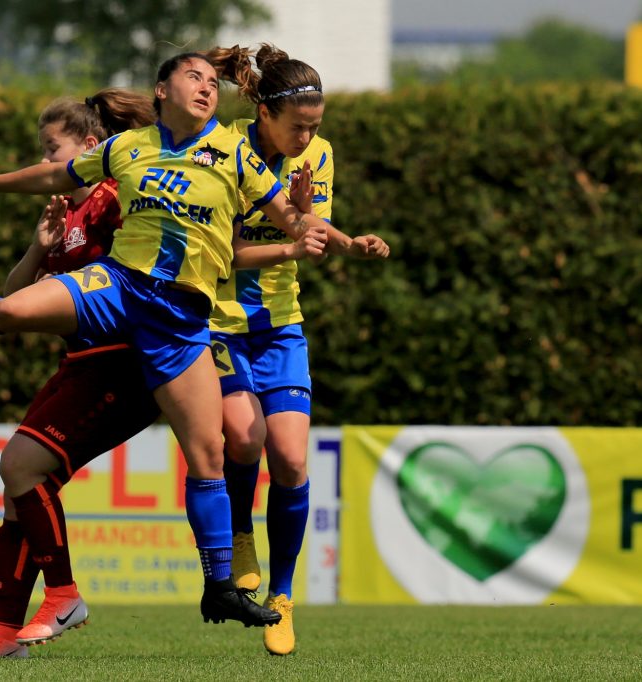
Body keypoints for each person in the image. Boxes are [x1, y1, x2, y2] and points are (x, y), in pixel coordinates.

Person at [0, 52, 349, 633]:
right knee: (12, 307)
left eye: (213, 82)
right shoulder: (128, 146)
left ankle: (218, 588)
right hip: (119, 286)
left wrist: (309, 223)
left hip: (181, 321)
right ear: (161, 89)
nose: (207, 88)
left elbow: (286, 217)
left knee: (210, 456)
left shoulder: (238, 153)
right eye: (195, 77)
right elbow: (56, 177)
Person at [0, 90, 161, 660]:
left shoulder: (117, 199)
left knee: (19, 464)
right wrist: (37, 249)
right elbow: (11, 303)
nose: (45, 163)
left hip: (123, 365)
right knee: (16, 493)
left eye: (52, 150)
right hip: (82, 365)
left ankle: (65, 595)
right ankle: (3, 637)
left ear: (90, 149)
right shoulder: (66, 215)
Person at [206, 44, 390, 655]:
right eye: (298, 125)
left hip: (281, 325)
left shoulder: (318, 153)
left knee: (289, 459)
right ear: (264, 112)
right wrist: (295, 243)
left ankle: (281, 598)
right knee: (245, 437)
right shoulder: (223, 149)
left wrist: (348, 244)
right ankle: (238, 535)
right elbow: (222, 252)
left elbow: (311, 229)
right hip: (220, 323)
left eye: (316, 125)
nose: (308, 136)